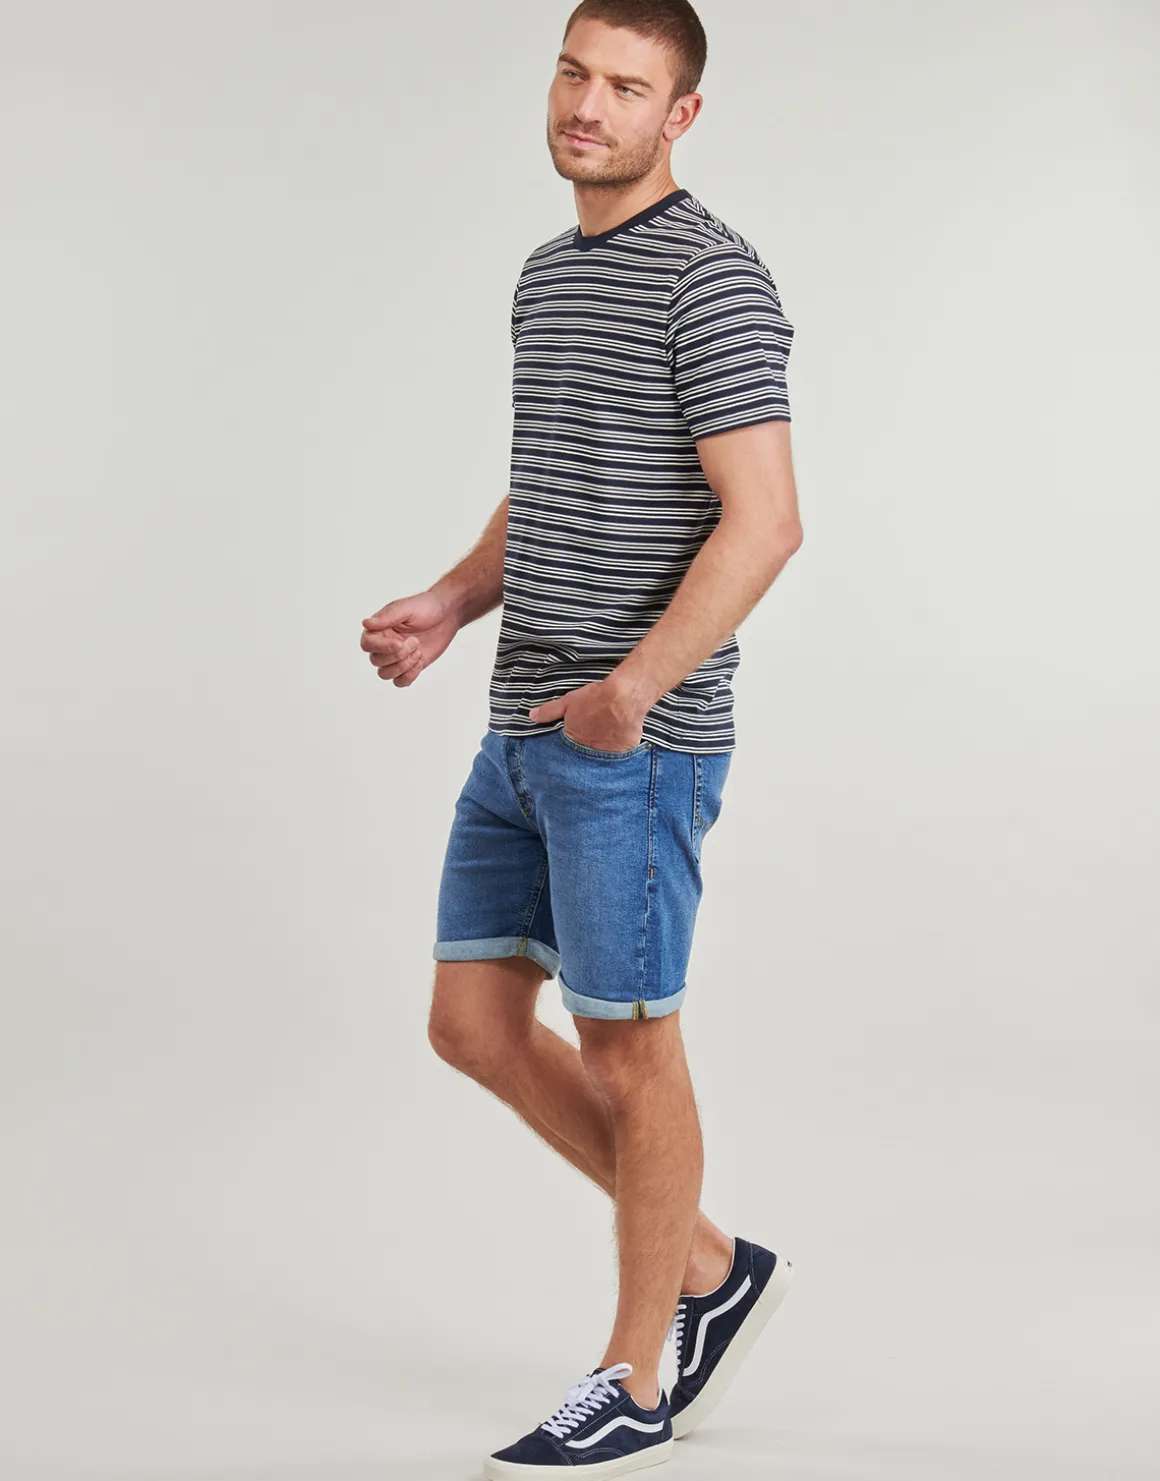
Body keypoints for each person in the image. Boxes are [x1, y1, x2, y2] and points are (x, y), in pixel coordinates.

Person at [361, 2, 802, 1473]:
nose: (588, 105)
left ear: (681, 114)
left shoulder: (713, 280)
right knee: (471, 1027)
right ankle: (711, 1263)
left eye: (626, 85)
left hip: (634, 744)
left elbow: (766, 521)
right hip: (520, 723)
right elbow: (550, 481)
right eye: (573, 72)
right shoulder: (549, 276)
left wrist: (634, 691)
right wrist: (451, 599)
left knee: (628, 1048)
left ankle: (637, 1374)